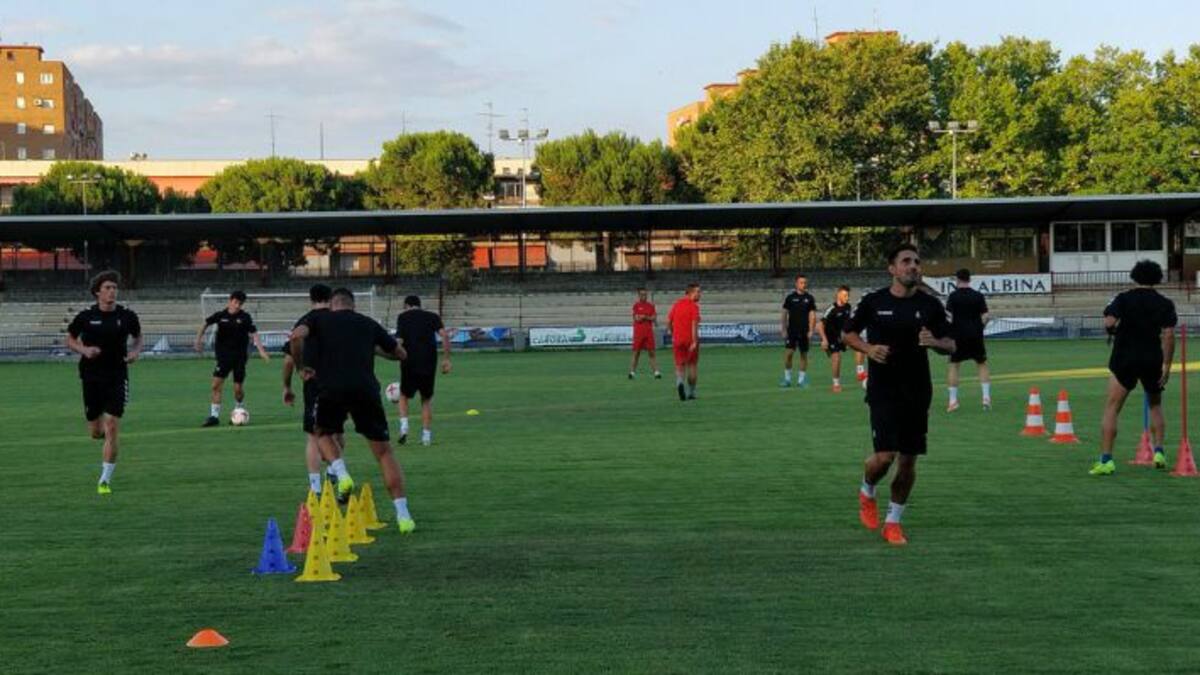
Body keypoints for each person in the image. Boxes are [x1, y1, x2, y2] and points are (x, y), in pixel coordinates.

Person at [843, 244, 955, 545]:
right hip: (883, 389)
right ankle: (867, 489)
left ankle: (893, 522)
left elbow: (952, 344)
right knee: (884, 457)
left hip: (918, 391)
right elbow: (847, 333)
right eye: (906, 261)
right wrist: (868, 348)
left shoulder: (930, 305)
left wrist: (935, 342)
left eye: (917, 262)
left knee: (907, 462)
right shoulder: (873, 301)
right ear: (892, 268)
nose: (913, 266)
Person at [291, 288, 416, 532]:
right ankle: (404, 516)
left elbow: (296, 337)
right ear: (353, 305)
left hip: (330, 388)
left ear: (332, 304)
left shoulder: (319, 319)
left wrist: (301, 367)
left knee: (320, 431)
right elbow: (400, 353)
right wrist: (373, 348)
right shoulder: (368, 323)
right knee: (383, 453)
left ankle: (341, 471)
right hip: (365, 390)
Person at [1091, 260, 1177, 475]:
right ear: (1157, 278)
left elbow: (1109, 322)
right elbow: (1168, 335)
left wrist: (1114, 331)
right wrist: (1166, 365)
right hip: (1151, 358)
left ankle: (1106, 460)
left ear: (1135, 276)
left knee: (1112, 407)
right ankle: (1158, 451)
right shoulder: (1164, 303)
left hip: (1125, 357)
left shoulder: (1123, 298)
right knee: (1155, 405)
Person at [65, 270, 143, 495]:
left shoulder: (127, 316)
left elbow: (138, 337)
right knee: (96, 431)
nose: (112, 291)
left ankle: (104, 480)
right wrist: (84, 349)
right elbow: (69, 339)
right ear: (97, 291)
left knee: (111, 427)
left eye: (114, 288)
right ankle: (104, 441)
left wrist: (136, 352)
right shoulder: (86, 317)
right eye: (107, 287)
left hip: (117, 376)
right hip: (91, 377)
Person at [280, 284, 343, 497]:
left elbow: (288, 360)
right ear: (331, 297)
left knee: (313, 436)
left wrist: (288, 385)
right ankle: (335, 472)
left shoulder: (304, 322)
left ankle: (316, 488)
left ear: (310, 299)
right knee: (337, 431)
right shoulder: (340, 320)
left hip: (314, 385)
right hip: (342, 383)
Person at [195, 290, 269, 427]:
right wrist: (198, 340)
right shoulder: (220, 315)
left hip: (239, 358)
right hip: (223, 357)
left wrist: (261, 351)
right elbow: (205, 324)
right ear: (230, 301)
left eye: (240, 303)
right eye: (235, 302)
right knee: (216, 385)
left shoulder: (245, 317)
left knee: (238, 389)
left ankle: (239, 408)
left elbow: (254, 333)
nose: (237, 306)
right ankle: (214, 417)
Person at [394, 295, 452, 446]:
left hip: (409, 361)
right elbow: (445, 335)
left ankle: (404, 427)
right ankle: (426, 437)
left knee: (403, 395)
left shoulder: (403, 317)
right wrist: (446, 359)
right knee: (426, 399)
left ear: (406, 305)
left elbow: (399, 341)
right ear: (419, 305)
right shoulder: (432, 317)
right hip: (428, 362)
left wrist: (395, 355)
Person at [945, 269, 992, 411]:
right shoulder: (978, 296)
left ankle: (953, 401)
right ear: (969, 279)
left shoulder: (953, 296)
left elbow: (948, 317)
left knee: (954, 365)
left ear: (957, 279)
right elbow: (986, 316)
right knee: (981, 364)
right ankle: (986, 398)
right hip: (975, 335)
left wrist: (949, 331)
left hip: (958, 336)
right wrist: (980, 328)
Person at [780, 273, 817, 388]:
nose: (803, 284)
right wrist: (783, 329)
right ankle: (787, 378)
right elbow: (784, 314)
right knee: (789, 354)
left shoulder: (809, 298)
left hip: (804, 331)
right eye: (801, 282)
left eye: (805, 283)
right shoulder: (790, 298)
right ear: (796, 284)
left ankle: (801, 380)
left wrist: (811, 330)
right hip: (792, 331)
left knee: (803, 355)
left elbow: (812, 315)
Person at [667, 283, 702, 401]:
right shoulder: (694, 306)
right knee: (692, 365)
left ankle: (680, 382)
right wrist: (694, 341)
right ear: (691, 292)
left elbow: (668, 322)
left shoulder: (677, 304)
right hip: (690, 340)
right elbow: (694, 324)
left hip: (677, 339)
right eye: (698, 292)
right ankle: (691, 393)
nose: (700, 294)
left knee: (680, 364)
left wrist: (673, 334)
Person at [817, 285, 853, 392]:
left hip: (840, 337)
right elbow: (819, 325)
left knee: (860, 348)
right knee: (836, 358)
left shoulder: (848, 307)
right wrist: (824, 340)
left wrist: (847, 339)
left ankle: (862, 373)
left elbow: (846, 324)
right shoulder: (832, 310)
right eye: (845, 295)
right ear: (838, 295)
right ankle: (836, 385)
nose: (847, 298)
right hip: (830, 338)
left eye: (848, 295)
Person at [629, 287, 662, 379]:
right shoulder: (636, 306)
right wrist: (647, 317)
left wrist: (645, 317)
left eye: (645, 294)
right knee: (636, 353)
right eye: (642, 294)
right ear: (639, 295)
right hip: (638, 333)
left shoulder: (651, 306)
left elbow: (654, 318)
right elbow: (637, 318)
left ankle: (656, 372)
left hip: (648, 333)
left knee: (651, 353)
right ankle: (632, 372)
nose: (644, 296)